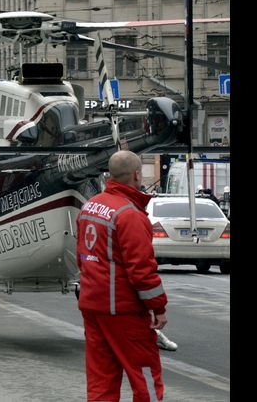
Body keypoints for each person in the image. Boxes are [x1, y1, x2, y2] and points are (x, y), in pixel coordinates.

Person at [77, 150, 167, 401]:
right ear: (137, 175)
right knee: (145, 374)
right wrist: (158, 307)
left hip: (92, 306)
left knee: (101, 379)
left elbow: (81, 256)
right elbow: (141, 271)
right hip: (123, 310)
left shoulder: (89, 206)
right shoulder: (130, 215)